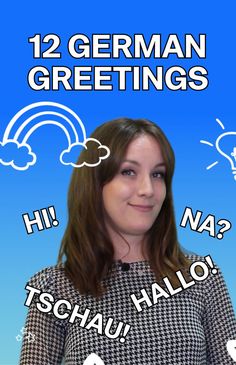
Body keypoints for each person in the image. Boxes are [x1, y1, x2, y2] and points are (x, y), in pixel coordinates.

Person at [20, 118, 236, 364]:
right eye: (128, 172)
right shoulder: (52, 287)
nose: (148, 189)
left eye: (158, 174)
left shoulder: (202, 277)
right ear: (95, 183)